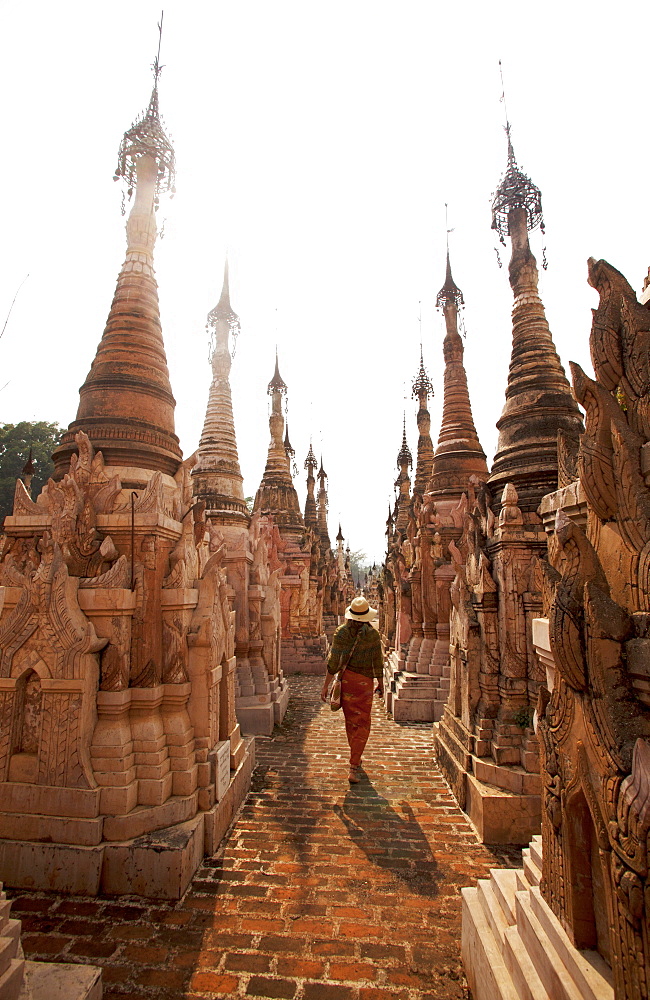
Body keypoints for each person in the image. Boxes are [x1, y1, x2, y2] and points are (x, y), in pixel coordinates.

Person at [320, 596, 384, 783]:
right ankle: (354, 763)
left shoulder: (341, 633)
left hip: (348, 682)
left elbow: (334, 663)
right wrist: (380, 682)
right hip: (365, 683)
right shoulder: (372, 635)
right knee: (362, 721)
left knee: (351, 721)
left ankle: (355, 758)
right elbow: (377, 663)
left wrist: (326, 685)